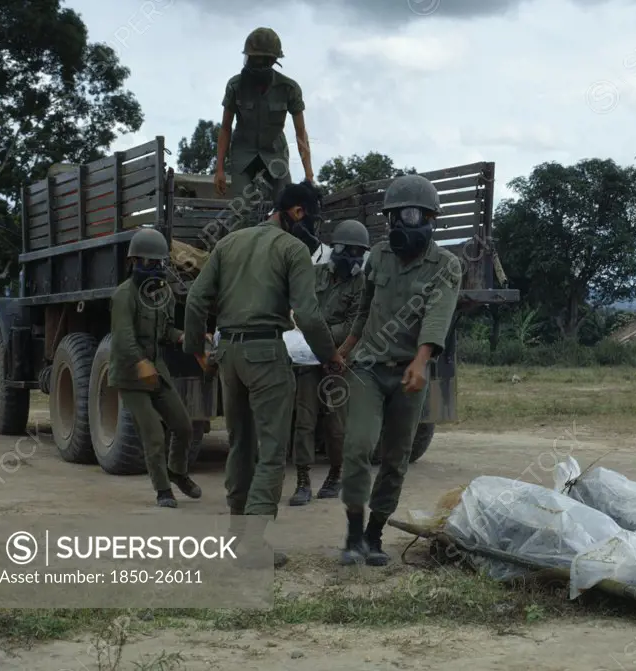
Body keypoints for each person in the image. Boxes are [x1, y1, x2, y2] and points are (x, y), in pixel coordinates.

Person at [183, 180, 342, 568]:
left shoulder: (228, 243)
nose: (314, 228)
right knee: (272, 451)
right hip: (266, 352)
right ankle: (252, 544)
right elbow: (306, 314)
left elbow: (195, 300)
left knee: (240, 445)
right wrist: (330, 356)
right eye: (313, 218)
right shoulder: (292, 249)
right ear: (298, 212)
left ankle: (237, 539)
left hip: (229, 353)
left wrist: (197, 351)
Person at [333, 175, 462, 566]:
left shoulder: (447, 265)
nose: (401, 225)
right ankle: (353, 534)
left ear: (429, 219)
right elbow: (364, 308)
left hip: (409, 372)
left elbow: (438, 317)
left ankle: (375, 535)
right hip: (368, 369)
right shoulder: (377, 257)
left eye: (409, 215)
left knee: (396, 457)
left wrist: (421, 362)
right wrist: (346, 348)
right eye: (395, 218)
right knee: (357, 447)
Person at [110, 227, 203, 508]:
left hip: (156, 372)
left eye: (157, 262)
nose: (152, 267)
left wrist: (182, 336)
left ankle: (177, 472)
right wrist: (140, 363)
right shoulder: (123, 295)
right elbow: (123, 338)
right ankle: (163, 490)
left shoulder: (163, 295)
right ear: (133, 262)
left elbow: (166, 331)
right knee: (152, 434)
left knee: (184, 426)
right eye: (146, 262)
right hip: (130, 376)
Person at [288, 219, 370, 506]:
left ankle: (336, 475)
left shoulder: (362, 284)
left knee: (336, 426)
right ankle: (302, 481)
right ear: (336, 248)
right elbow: (298, 311)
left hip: (340, 359)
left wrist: (321, 338)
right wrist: (316, 335)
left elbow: (352, 325)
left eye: (359, 254)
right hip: (308, 357)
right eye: (349, 251)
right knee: (304, 420)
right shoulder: (315, 274)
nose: (354, 259)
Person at [213, 27, 315, 230]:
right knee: (241, 213)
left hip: (275, 152)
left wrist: (309, 176)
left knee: (289, 207)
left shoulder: (289, 89)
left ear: (272, 61)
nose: (255, 65)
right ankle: (243, 252)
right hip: (243, 153)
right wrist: (220, 169)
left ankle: (280, 251)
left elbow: (300, 133)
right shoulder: (235, 85)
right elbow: (225, 128)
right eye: (252, 59)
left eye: (261, 60)